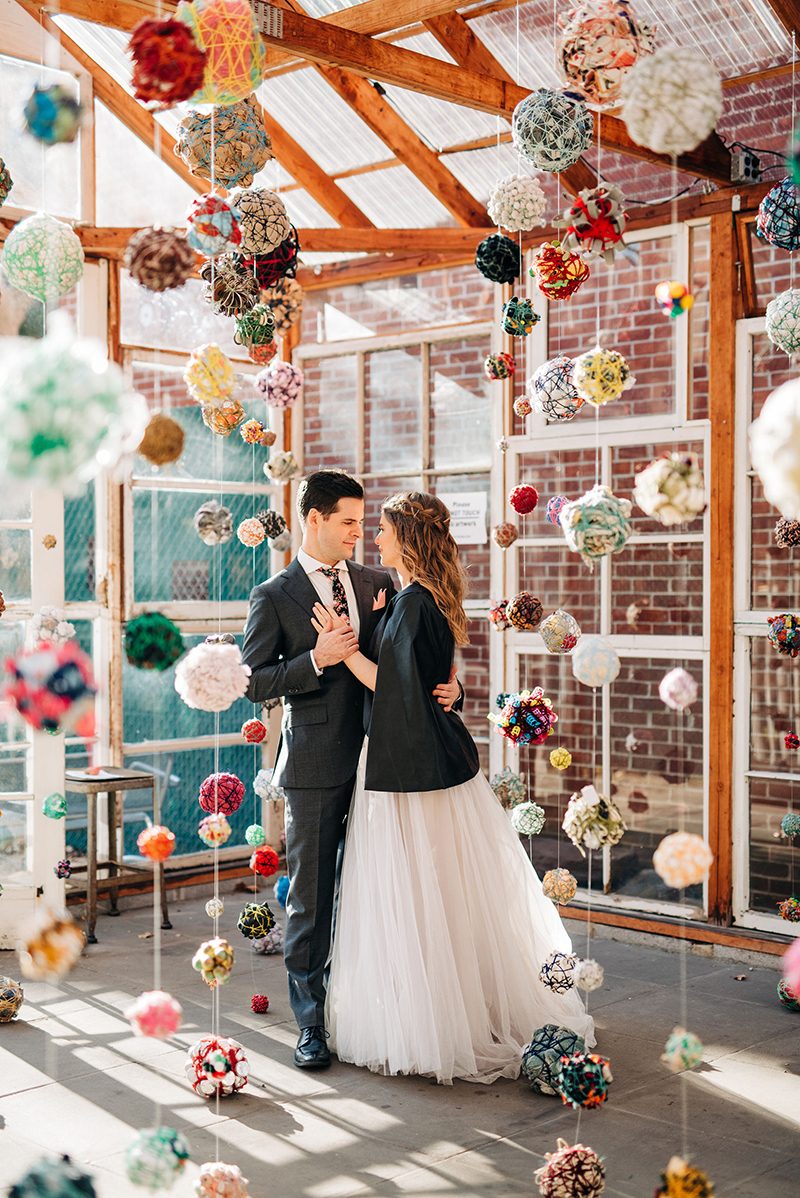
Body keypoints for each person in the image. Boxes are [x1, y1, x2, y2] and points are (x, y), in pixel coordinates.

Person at [313, 491, 595, 1084]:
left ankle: (433, 1022)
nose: (375, 539)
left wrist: (340, 654)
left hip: (409, 769)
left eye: (384, 531)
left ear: (407, 539)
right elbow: (422, 672)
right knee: (440, 890)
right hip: (422, 761)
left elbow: (394, 687)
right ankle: (445, 1011)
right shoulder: (417, 601)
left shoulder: (416, 605)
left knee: (417, 891)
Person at [241, 470, 462, 1071]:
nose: (359, 535)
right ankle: (311, 1025)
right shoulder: (273, 595)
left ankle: (370, 1009)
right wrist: (317, 658)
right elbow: (255, 683)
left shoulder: (379, 581)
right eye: (347, 523)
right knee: (311, 900)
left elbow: (413, 655)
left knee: (375, 891)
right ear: (314, 519)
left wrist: (452, 688)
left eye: (365, 524)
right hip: (314, 765)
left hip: (385, 767)